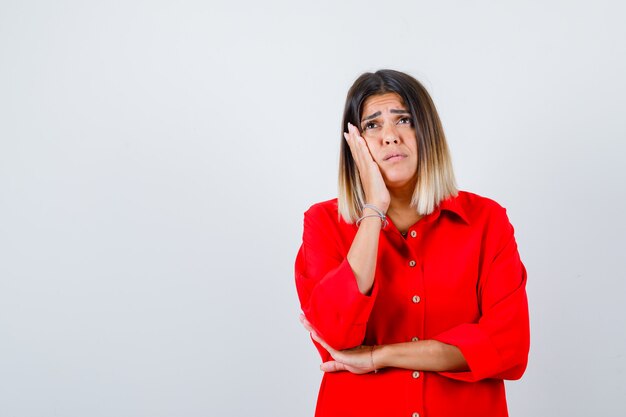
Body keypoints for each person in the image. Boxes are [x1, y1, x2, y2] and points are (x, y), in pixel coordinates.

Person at [295, 69, 530, 417]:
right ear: (355, 143)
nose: (390, 137)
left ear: (427, 132)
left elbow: (507, 348)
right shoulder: (324, 223)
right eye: (372, 125)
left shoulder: (486, 220)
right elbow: (336, 336)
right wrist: (373, 211)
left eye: (403, 119)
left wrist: (380, 355)